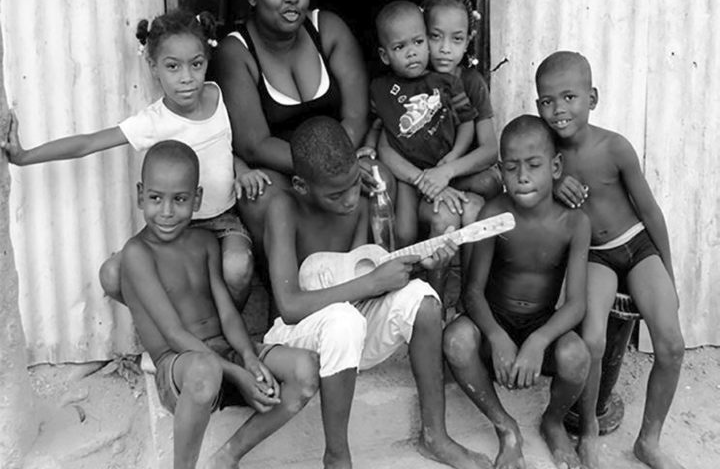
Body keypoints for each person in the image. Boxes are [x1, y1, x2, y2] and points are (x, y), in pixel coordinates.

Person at [262, 116, 488, 469]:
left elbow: (370, 270)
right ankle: (337, 456)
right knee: (342, 320)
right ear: (301, 186)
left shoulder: (364, 196)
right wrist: (372, 283)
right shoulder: (283, 208)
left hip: (353, 326)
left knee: (423, 300)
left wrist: (423, 264)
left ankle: (436, 436)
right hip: (301, 337)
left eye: (355, 183)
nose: (351, 199)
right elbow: (290, 306)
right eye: (336, 194)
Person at [0, 9, 258, 310]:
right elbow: (87, 143)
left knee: (237, 267)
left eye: (196, 64)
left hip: (223, 221)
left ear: (206, 62)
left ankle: (226, 329)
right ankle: (165, 329)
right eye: (172, 67)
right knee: (113, 275)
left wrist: (242, 170)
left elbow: (222, 148)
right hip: (171, 225)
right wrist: (25, 156)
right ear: (153, 66)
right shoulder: (153, 122)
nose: (187, 78)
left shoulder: (216, 95)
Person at [117, 140, 318, 469]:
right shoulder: (137, 254)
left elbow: (227, 313)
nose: (166, 212)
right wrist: (238, 375)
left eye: (179, 199)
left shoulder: (206, 242)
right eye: (155, 198)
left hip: (226, 353)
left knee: (305, 369)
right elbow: (173, 333)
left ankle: (227, 457)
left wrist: (249, 358)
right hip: (180, 366)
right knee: (204, 369)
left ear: (196, 199)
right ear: (141, 195)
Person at [535, 51, 685, 469]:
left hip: (637, 245)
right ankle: (589, 430)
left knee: (672, 344)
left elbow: (650, 211)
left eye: (569, 97)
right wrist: (552, 182)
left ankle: (649, 441)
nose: (558, 109)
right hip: (595, 256)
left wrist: (669, 275)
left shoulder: (614, 147)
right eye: (547, 101)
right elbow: (517, 177)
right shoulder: (546, 154)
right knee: (593, 341)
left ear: (592, 98)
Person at [213, 0, 386, 251]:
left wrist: (339, 168)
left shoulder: (328, 28)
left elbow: (356, 115)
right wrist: (319, 173)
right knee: (259, 197)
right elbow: (255, 145)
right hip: (285, 170)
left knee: (379, 179)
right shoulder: (236, 52)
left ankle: (373, 269)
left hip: (342, 159)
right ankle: (301, 278)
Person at [443, 115, 591, 469]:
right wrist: (496, 337)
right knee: (456, 341)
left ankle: (553, 422)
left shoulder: (574, 223)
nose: (522, 176)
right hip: (494, 321)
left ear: (555, 167)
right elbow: (473, 292)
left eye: (534, 165)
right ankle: (505, 426)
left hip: (541, 324)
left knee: (576, 355)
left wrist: (539, 341)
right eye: (511, 168)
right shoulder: (494, 213)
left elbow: (576, 304)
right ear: (501, 170)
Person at [372, 0, 485, 251]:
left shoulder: (446, 82)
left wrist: (453, 157)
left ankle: (440, 271)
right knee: (405, 233)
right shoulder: (381, 90)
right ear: (385, 55)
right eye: (400, 47)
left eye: (418, 42)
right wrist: (368, 147)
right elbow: (379, 129)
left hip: (443, 165)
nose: (412, 52)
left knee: (482, 189)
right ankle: (403, 271)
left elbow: (468, 122)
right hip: (408, 172)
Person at [421, 0, 502, 203]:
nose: (445, 48)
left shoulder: (472, 82)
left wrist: (448, 171)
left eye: (456, 39)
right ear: (422, 34)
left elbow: (490, 150)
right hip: (422, 178)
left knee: (489, 182)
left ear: (468, 41)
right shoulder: (411, 82)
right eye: (435, 36)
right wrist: (434, 179)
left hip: (458, 173)